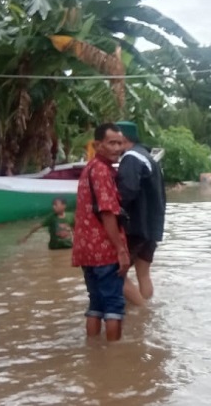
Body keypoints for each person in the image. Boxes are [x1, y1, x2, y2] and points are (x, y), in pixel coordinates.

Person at [72, 123, 130, 342]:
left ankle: (94, 352)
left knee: (95, 303)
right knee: (114, 306)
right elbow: (107, 213)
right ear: (98, 145)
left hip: (86, 250)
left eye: (120, 143)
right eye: (112, 143)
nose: (117, 148)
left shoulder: (89, 168)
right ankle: (114, 359)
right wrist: (121, 250)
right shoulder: (102, 171)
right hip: (104, 250)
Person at [115, 121, 166, 305]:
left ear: (123, 139)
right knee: (143, 274)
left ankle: (143, 311)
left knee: (114, 273)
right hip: (152, 227)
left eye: (115, 140)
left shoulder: (131, 158)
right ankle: (145, 319)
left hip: (135, 227)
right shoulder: (148, 157)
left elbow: (126, 192)